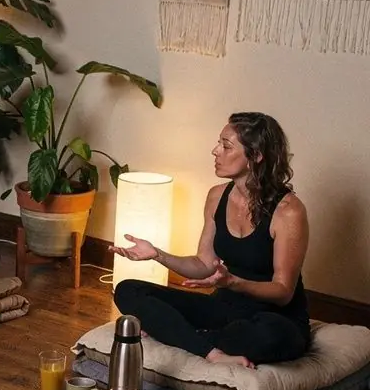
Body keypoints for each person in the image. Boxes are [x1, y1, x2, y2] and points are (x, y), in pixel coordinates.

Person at [112, 112, 310, 368]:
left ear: (256, 155)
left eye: (226, 146)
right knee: (129, 289)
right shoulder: (217, 196)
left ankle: (182, 336)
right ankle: (212, 352)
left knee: (268, 336)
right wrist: (158, 255)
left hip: (273, 317)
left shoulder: (288, 211)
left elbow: (283, 291)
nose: (215, 151)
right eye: (219, 143)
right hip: (224, 309)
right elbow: (204, 263)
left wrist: (234, 282)